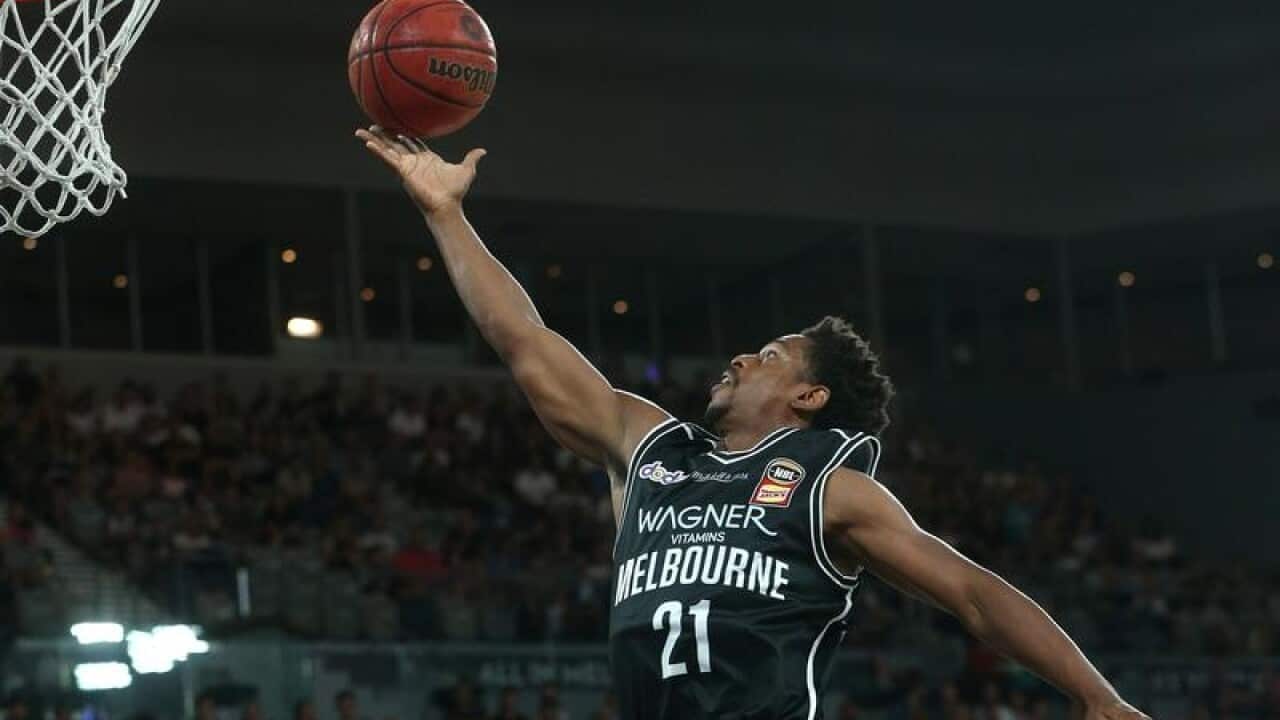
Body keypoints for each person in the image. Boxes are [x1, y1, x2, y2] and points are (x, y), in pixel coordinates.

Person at [355, 128, 1150, 720]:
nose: (741, 356)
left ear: (809, 399)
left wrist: (1098, 701)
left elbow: (974, 595)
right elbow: (523, 339)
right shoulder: (650, 449)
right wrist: (446, 216)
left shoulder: (829, 492)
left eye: (771, 355)